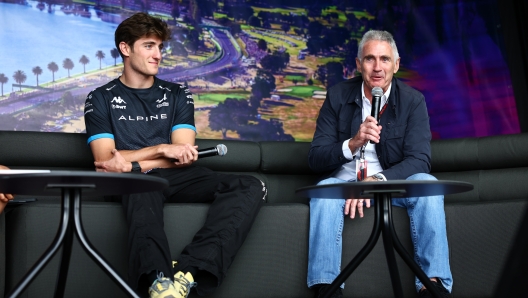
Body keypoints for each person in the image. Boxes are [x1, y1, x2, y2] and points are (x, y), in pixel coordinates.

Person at [83, 13, 266, 298]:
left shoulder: (178, 93)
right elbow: (107, 162)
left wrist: (133, 162)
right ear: (125, 48)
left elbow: (183, 154)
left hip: (176, 176)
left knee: (251, 185)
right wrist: (159, 149)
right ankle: (158, 284)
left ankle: (188, 275)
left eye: (160, 47)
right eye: (148, 46)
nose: (158, 55)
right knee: (141, 183)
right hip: (134, 183)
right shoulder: (100, 97)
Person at [307, 30, 452, 298]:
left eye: (385, 59)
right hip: (345, 185)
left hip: (391, 185)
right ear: (358, 63)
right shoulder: (337, 96)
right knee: (325, 190)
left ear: (396, 65)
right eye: (370, 59)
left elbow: (420, 160)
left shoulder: (413, 101)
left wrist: (376, 181)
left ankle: (432, 287)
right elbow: (315, 159)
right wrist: (352, 143)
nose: (377, 67)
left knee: (428, 184)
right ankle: (326, 290)